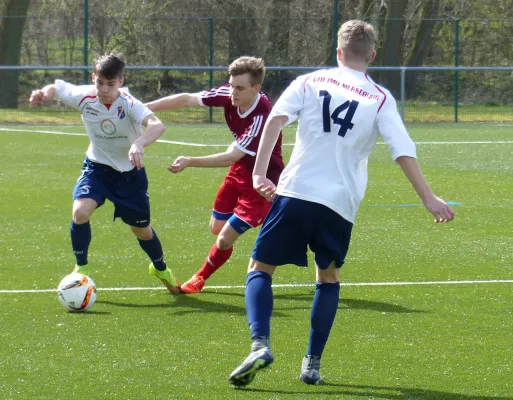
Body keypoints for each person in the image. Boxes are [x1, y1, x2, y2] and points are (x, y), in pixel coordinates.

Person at [228, 20, 456, 387]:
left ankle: (260, 344)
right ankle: (312, 364)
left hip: (296, 192)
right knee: (328, 277)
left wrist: (258, 174)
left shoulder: (310, 81)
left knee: (259, 267)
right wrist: (428, 198)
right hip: (339, 205)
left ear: (338, 52)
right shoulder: (379, 97)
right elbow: (403, 150)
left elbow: (275, 121)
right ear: (373, 56)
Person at [29, 51, 180, 294]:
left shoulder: (130, 103)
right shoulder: (85, 96)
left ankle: (160, 268)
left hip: (129, 175)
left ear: (121, 81)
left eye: (111, 84)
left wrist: (138, 143)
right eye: (100, 82)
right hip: (96, 168)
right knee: (80, 212)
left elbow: (157, 125)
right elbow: (56, 89)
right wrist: (43, 94)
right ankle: (81, 268)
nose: (105, 89)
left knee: (142, 230)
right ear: (94, 78)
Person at [145, 56, 284, 294]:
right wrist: (146, 107)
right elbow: (188, 98)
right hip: (239, 172)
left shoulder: (262, 116)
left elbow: (230, 156)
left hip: (262, 182)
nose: (233, 93)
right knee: (216, 228)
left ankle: (199, 279)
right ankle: (273, 215)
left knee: (224, 239)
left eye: (239, 88)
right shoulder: (230, 94)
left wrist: (190, 161)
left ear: (256, 88)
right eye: (231, 85)